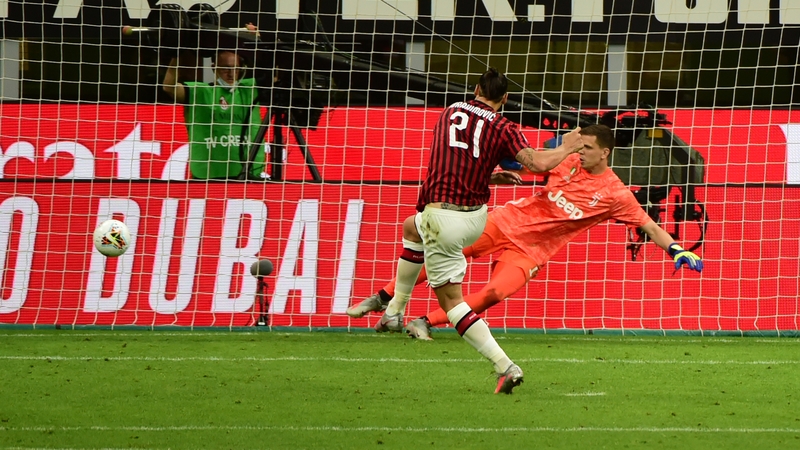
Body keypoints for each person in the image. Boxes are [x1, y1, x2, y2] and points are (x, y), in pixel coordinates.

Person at [347, 124, 704, 341]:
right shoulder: (565, 160)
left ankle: (424, 322)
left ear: (605, 153)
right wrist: (495, 171)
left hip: (533, 250)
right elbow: (529, 162)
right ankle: (383, 297)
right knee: (445, 249)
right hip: (507, 221)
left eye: (588, 149)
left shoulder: (615, 194)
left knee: (494, 292)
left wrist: (677, 250)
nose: (581, 153)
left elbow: (650, 226)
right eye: (579, 146)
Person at [366, 67, 585, 395]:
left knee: (453, 298)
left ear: (475, 88)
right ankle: (393, 308)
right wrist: (566, 147)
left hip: (450, 217)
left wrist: (494, 168)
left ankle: (504, 365)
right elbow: (536, 163)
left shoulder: (451, 111)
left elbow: (462, 158)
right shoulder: (504, 127)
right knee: (415, 231)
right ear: (506, 98)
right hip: (481, 219)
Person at [162, 25, 267, 180]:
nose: (232, 74)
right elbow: (168, 87)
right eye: (226, 69)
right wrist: (178, 50)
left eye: (236, 69)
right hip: (207, 175)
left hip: (247, 174)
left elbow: (278, 75)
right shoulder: (201, 92)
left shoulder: (250, 89)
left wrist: (257, 41)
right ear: (214, 68)